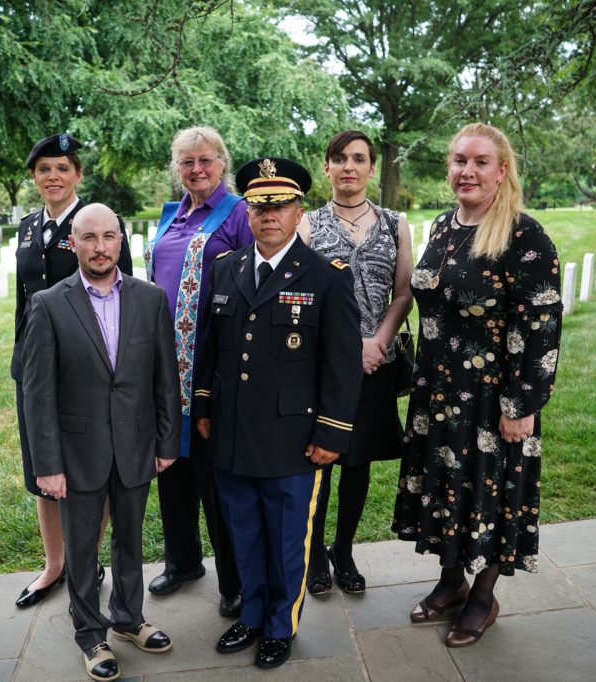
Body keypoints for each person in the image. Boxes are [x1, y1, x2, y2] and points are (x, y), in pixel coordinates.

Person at [391, 123, 562, 647]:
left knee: (488, 493)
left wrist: (522, 404)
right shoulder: (444, 226)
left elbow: (541, 327)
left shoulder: (523, 235)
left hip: (493, 399)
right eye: (459, 160)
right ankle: (450, 582)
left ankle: (483, 597)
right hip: (439, 393)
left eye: (480, 162)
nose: (467, 170)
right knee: (447, 490)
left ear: (501, 171)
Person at [193, 157, 362, 669]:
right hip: (233, 430)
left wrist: (331, 431)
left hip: (294, 437)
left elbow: (342, 364)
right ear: (246, 211)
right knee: (242, 530)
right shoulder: (226, 268)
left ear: (298, 210)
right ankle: (252, 612)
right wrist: (203, 404)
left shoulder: (326, 277)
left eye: (281, 205)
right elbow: (209, 346)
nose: (270, 214)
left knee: (289, 537)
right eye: (260, 205)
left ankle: (279, 626)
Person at [22, 203, 180, 681]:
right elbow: (38, 392)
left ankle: (129, 618)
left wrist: (167, 441)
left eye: (109, 236)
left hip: (135, 445)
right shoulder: (49, 304)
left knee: (130, 541)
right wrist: (47, 463)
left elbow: (165, 378)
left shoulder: (150, 299)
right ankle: (90, 634)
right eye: (89, 237)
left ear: (121, 241)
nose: (100, 246)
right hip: (77, 452)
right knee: (83, 549)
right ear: (74, 243)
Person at [11, 133, 133, 609]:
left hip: (86, 368)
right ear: (34, 178)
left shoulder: (96, 225)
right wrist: (22, 358)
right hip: (36, 368)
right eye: (44, 170)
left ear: (78, 174)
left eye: (62, 168)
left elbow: (118, 295)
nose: (53, 177)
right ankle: (55, 565)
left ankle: (88, 558)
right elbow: (23, 302)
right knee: (45, 468)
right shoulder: (26, 227)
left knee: (89, 468)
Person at [297, 130, 412, 595]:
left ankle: (343, 550)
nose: (349, 167)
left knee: (358, 461)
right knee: (322, 459)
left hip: (377, 361)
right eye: (339, 158)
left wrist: (377, 341)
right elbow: (301, 296)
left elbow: (403, 292)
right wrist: (350, 347)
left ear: (370, 169)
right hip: (324, 363)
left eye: (358, 159)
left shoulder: (393, 222)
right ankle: (314, 552)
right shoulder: (307, 224)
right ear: (326, 167)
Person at [143, 126, 249, 617]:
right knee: (171, 469)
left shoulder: (238, 214)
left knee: (215, 480)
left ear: (222, 163)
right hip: (163, 368)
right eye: (186, 162)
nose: (196, 170)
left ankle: (235, 578)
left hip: (212, 367)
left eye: (204, 160)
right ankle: (183, 561)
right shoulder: (172, 216)